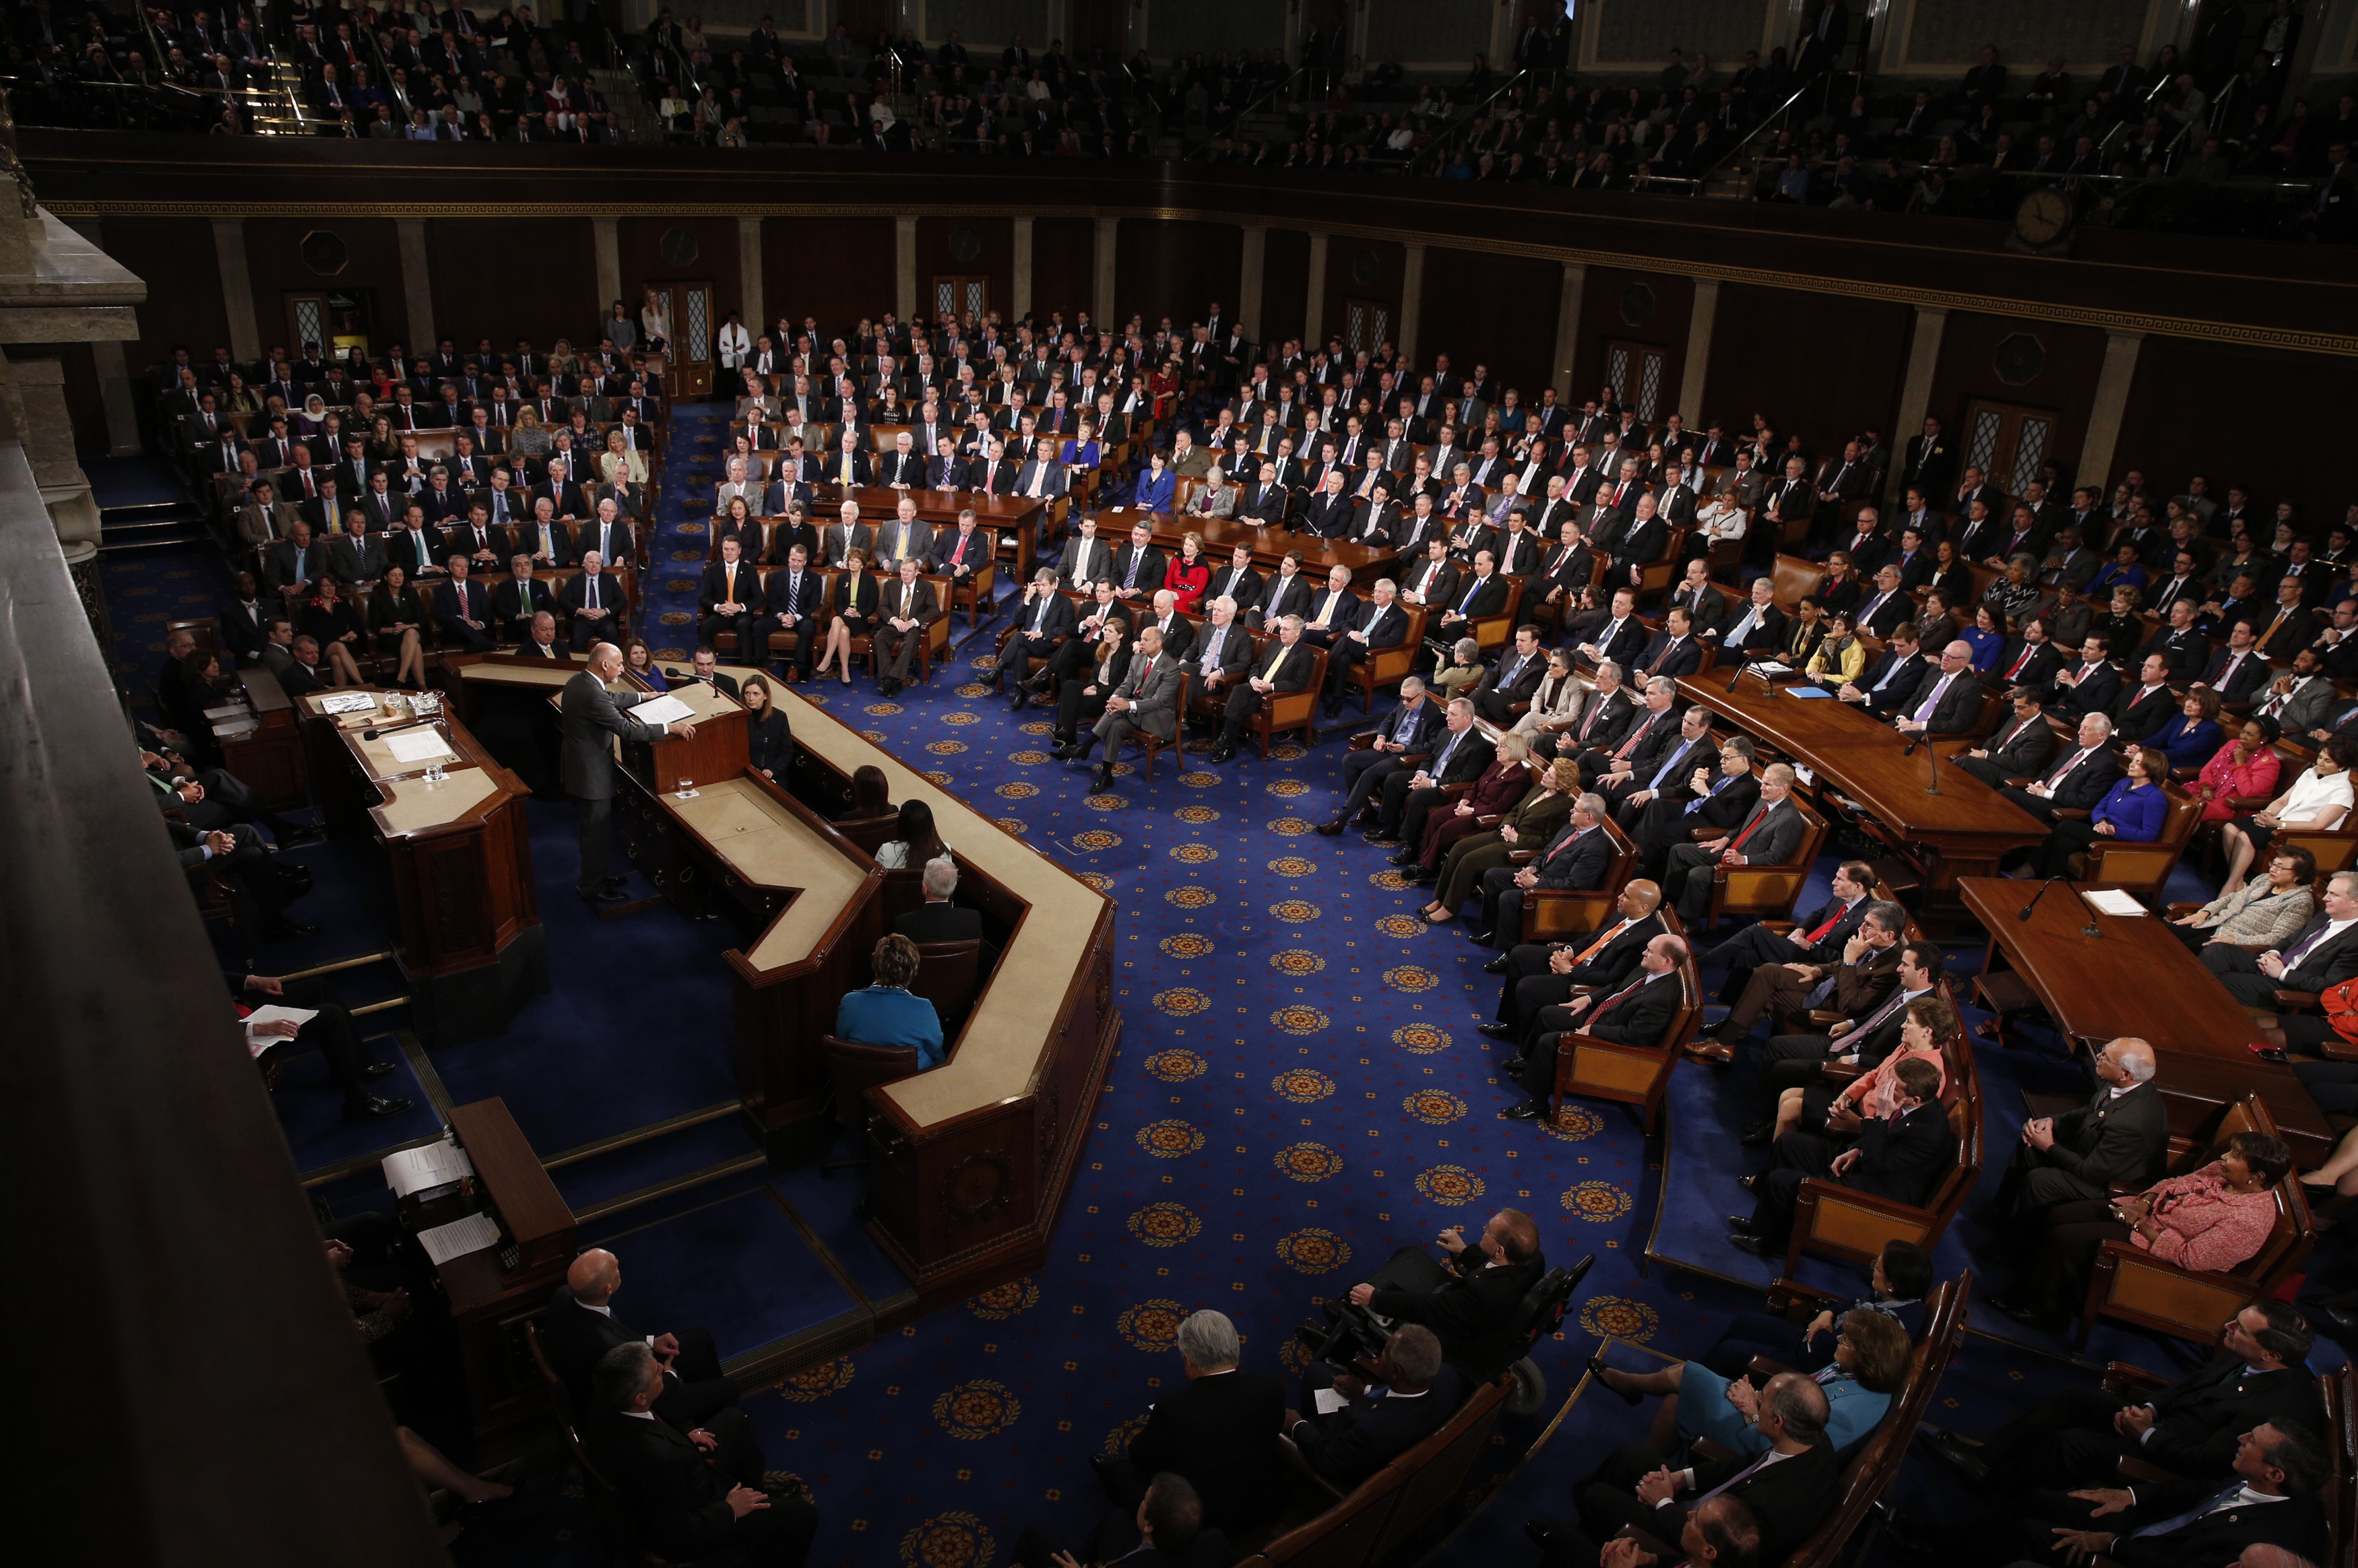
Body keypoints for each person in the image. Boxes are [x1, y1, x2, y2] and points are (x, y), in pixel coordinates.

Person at [1923, 1302, 2322, 1493]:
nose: (2228, 1326)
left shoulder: (2272, 1408)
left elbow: (2206, 1463)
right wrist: (2148, 1407)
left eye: (2241, 1329)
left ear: (2270, 1354)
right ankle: (1988, 1460)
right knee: (2075, 1398)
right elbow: (2190, 1384)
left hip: (2169, 1455)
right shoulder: (2246, 1354)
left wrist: (2145, 1435)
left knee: (2072, 1442)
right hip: (2158, 1422)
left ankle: (1997, 1487)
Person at [1990, 1132, 2294, 1328]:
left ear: (2258, 1176)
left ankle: (2046, 1311)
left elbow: (2190, 1258)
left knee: (2066, 1237)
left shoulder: (2249, 1220)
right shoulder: (2221, 1172)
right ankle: (2035, 1281)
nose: (2225, 1158)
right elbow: (2172, 1184)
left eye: (2235, 1157)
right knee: (2059, 1214)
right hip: (2144, 1216)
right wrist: (2143, 1205)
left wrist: (2140, 1224)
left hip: (2160, 1255)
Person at [1552, 1373, 1839, 1565]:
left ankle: (1595, 1546)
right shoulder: (1812, 1438)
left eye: (1761, 1402)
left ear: (1779, 1422)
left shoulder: (1765, 1510)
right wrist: (1680, 1479)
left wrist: (1663, 1500)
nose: (1756, 1402)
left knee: (1597, 1497)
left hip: (1690, 1536)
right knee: (1629, 1460)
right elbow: (1746, 1464)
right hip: (1709, 1506)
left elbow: (1706, 1543)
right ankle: (1594, 1529)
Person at [583, 1342, 819, 1567]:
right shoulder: (658, 1460)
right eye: (655, 1374)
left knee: (732, 1420)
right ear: (641, 1398)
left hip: (684, 1472)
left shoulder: (606, 1399)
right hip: (701, 1512)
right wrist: (729, 1509)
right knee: (804, 1517)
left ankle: (758, 1499)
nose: (661, 1369)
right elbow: (679, 1534)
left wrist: (685, 1439)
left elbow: (652, 1429)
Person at [1588, 1305, 1909, 1462]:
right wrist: (1760, 1400)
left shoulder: (1850, 1413)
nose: (1839, 1339)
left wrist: (1754, 1411)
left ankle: (1632, 1386)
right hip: (1767, 1416)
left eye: (1848, 1341)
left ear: (1867, 1358)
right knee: (1676, 1400)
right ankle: (1645, 1466)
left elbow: (1788, 1451)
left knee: (1688, 1375)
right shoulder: (1855, 1374)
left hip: (1758, 1443)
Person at [2011, 1420, 2329, 1568]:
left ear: (2274, 1474)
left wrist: (2112, 1544)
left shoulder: (2259, 1546)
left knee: (2025, 1533)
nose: (2242, 1437)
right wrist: (2131, 1496)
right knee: (2039, 1499)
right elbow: (2202, 1490)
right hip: (2151, 1526)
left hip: (2141, 1557)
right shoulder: (2267, 1481)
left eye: (2253, 1441)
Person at [1733, 1055, 1951, 1256]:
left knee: (1782, 1180)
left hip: (1875, 1192)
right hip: (1867, 1162)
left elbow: (1877, 1165)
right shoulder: (1918, 1102)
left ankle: (1774, 1241)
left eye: (1893, 1088)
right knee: (1788, 1143)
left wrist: (1882, 1117)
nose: (1885, 1089)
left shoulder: (1928, 1134)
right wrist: (1857, 1149)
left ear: (1914, 1100)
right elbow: (1885, 1144)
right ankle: (1762, 1221)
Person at [1096, 1309, 1284, 1535]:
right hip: (1262, 1505)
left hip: (1199, 1519)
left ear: (1188, 1358)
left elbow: (1140, 1456)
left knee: (1120, 1473)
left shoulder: (1173, 1409)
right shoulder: (1269, 1389)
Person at [542, 1248, 741, 1429]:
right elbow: (642, 1392)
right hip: (643, 1403)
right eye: (616, 1268)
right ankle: (716, 1434)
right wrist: (669, 1374)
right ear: (608, 1290)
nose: (620, 1268)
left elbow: (617, 1333)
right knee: (728, 1390)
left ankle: (708, 1418)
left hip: (615, 1372)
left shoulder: (564, 1294)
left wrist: (653, 1342)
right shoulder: (610, 1347)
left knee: (700, 1340)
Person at [1343, 1208, 1546, 1383]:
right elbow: (1497, 1272)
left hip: (1449, 1330)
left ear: (1500, 1250)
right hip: (1466, 1308)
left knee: (1353, 1298)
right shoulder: (1532, 1262)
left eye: (1488, 1231)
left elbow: (1431, 1307)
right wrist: (1464, 1251)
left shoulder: (1483, 1295)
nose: (1483, 1231)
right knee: (1406, 1253)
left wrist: (1377, 1298)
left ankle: (1341, 1353)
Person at [562, 641, 695, 906]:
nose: (622, 669)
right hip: (592, 778)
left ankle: (597, 878)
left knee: (594, 831)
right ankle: (591, 887)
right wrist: (670, 728)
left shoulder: (579, 681)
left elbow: (609, 699)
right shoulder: (592, 693)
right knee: (595, 833)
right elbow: (628, 730)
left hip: (580, 768)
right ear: (604, 665)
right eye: (619, 664)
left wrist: (642, 697)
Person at [1699, 1239, 1934, 1381]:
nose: (1872, 1268)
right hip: (1812, 1338)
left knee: (1729, 1351)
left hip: (1810, 1366)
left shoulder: (1886, 1323)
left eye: (1877, 1268)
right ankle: (1694, 1372)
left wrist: (1820, 1330)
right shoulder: (1898, 1296)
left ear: (1893, 1283)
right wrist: (1827, 1314)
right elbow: (1851, 1303)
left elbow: (1826, 1350)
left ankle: (1690, 1387)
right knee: (1745, 1322)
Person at [1992, 1037, 2167, 1222]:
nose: (2098, 1056)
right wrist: (2052, 1122)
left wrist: (2049, 1146)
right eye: (2103, 1050)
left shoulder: (2132, 1123)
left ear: (2126, 1074)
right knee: (2030, 1141)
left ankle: (2010, 1245)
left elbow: (2090, 1172)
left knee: (2039, 1182)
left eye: (2105, 1057)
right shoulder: (2124, 1083)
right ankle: (2000, 1213)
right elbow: (2090, 1110)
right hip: (2093, 1152)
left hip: (2111, 1182)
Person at [1283, 1324, 1462, 1491]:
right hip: (1375, 1420)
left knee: (1284, 1410)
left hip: (1344, 1448)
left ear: (1395, 1371)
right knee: (1317, 1372)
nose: (1378, 1357)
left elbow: (1326, 1459)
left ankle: (1307, 1431)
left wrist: (1297, 1424)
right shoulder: (1449, 1377)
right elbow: (1400, 1394)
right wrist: (1364, 1390)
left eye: (1384, 1354)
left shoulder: (1372, 1430)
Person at [232, 969, 412, 1119]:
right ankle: (356, 1102)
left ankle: (357, 1065)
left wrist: (253, 981)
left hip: (240, 1010)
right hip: (234, 1035)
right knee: (330, 1016)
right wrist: (255, 1028)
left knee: (318, 986)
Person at [2203, 870, 2358, 1008]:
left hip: (2290, 988)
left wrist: (2282, 973)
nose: (2325, 898)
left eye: (2334, 895)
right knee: (2218, 950)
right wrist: (2274, 953)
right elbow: (2291, 940)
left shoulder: (2354, 942)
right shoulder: (2325, 915)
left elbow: (2330, 986)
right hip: (2274, 964)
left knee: (2220, 981)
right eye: (2328, 892)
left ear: (2355, 902)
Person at [2217, 738, 2355, 887]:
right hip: (2280, 820)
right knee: (2230, 829)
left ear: (2341, 766)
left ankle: (2230, 885)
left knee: (2245, 836)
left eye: (2328, 761)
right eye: (2320, 757)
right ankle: (2239, 884)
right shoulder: (2311, 772)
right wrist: (2266, 814)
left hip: (2298, 833)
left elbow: (2317, 825)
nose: (2320, 762)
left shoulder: (2343, 790)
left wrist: (2278, 823)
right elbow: (2283, 801)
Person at [1014, 1471, 1221, 1568]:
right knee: (1118, 1517)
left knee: (1037, 1537)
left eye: (1145, 1500)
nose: (1141, 1501)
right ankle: (1080, 1556)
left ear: (1149, 1526)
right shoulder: (1216, 1542)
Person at [2027, 744, 2169, 879]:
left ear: (2151, 768)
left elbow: (2148, 835)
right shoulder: (2123, 784)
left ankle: (2030, 868)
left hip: (2120, 842)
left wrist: (2114, 830)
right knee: (2064, 843)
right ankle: (2047, 883)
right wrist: (2102, 821)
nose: (2131, 764)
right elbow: (2100, 807)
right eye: (2133, 760)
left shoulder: (2154, 797)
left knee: (2065, 826)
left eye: (2138, 763)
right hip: (2101, 831)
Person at [2171, 846, 2317, 952]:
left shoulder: (2300, 903)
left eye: (2280, 868)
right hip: (2216, 922)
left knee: (2179, 951)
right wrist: (2205, 912)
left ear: (2298, 875)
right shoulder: (2265, 880)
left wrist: (2236, 940)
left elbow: (2278, 938)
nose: (2273, 870)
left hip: (2234, 941)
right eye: (2274, 864)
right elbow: (2232, 898)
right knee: (2170, 933)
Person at [835, 933, 945, 1069]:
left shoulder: (849, 1003)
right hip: (911, 1079)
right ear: (913, 969)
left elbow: (843, 1042)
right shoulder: (924, 1009)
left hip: (863, 1075)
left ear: (876, 964)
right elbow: (935, 1048)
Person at [815, 546, 877, 686]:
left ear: (862, 564)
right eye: (850, 561)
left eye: (856, 561)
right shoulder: (842, 578)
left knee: (837, 620)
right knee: (843, 631)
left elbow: (872, 605)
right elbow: (838, 602)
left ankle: (827, 658)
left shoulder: (870, 580)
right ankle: (845, 671)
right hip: (845, 616)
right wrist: (846, 612)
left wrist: (858, 613)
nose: (852, 564)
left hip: (861, 619)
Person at [367, 564, 429, 689]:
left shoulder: (411, 593)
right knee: (415, 647)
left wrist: (407, 626)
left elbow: (422, 620)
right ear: (385, 577)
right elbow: (375, 625)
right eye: (393, 575)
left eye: (401, 575)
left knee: (411, 633)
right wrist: (392, 629)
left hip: (413, 632)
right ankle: (423, 688)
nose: (398, 578)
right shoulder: (376, 597)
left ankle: (401, 677)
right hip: (391, 637)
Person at [740, 673, 792, 781]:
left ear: (765, 696)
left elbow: (787, 752)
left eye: (756, 694)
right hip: (745, 772)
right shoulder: (739, 717)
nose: (751, 698)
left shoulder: (779, 717)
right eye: (747, 693)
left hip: (773, 773)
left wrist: (772, 769)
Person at [874, 798, 948, 870]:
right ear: (930, 824)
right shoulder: (944, 851)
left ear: (901, 824)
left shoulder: (886, 851)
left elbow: (874, 876)